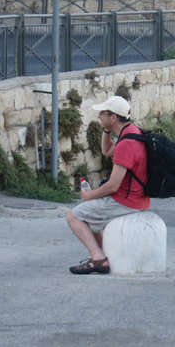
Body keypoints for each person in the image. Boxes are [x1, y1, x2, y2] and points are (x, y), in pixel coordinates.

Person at [65, 96, 149, 274]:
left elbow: (113, 186)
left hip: (127, 201)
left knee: (74, 216)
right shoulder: (131, 131)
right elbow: (106, 151)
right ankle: (104, 256)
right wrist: (106, 130)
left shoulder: (127, 144)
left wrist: (90, 195)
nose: (98, 116)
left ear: (114, 118)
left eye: (102, 113)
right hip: (137, 197)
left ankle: (98, 258)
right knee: (89, 213)